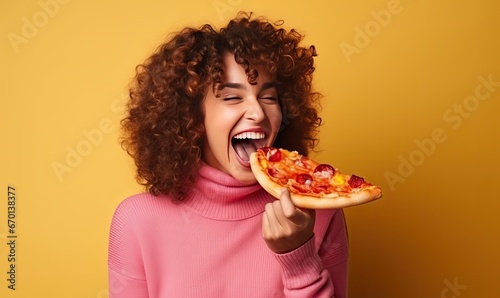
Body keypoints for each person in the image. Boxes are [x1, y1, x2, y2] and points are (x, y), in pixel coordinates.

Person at [108, 12, 349, 298]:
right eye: (233, 97)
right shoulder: (137, 221)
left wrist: (299, 259)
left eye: (269, 97)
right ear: (193, 117)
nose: (259, 112)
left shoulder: (318, 213)